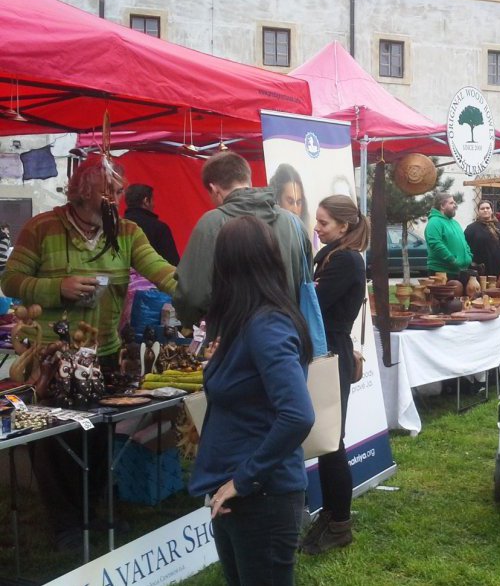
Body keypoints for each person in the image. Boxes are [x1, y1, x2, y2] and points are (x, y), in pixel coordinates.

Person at [0, 159, 177, 550]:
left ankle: (91, 513)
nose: (117, 199)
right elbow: (10, 279)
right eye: (110, 193)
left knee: (97, 438)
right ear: (85, 193)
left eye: (117, 192)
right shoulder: (42, 228)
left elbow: (160, 269)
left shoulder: (127, 232)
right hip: (50, 358)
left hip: (103, 355)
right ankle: (64, 522)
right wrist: (56, 287)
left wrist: (195, 290)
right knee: (53, 442)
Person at [189, 215, 314, 586]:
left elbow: (297, 415)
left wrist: (243, 480)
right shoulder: (245, 321)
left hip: (263, 497)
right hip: (241, 495)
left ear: (228, 266)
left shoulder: (266, 325)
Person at [299, 195, 369, 555]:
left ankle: (340, 522)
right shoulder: (333, 256)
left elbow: (312, 304)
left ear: (344, 226)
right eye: (317, 221)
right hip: (327, 350)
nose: (317, 227)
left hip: (331, 353)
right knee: (327, 442)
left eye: (324, 223)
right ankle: (330, 512)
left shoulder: (344, 260)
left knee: (331, 442)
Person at [174, 152, 311, 329]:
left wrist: (190, 322)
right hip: (289, 339)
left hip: (233, 343)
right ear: (248, 180)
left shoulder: (211, 224)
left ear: (215, 190)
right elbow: (307, 288)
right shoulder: (295, 224)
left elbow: (192, 296)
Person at [464, 200, 500, 279]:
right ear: (478, 211)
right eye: (482, 208)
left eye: (488, 208)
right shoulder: (472, 228)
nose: (485, 210)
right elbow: (465, 246)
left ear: (492, 210)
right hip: (484, 266)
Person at [124, 184, 180, 265]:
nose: (154, 204)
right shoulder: (159, 228)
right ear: (146, 201)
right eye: (153, 200)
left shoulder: (117, 227)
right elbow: (172, 264)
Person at [424, 193, 472, 281]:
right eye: (451, 203)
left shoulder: (455, 223)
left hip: (458, 271)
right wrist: (452, 259)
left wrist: (469, 256)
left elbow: (464, 242)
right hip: (441, 272)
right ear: (442, 206)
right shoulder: (434, 222)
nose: (455, 205)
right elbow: (435, 244)